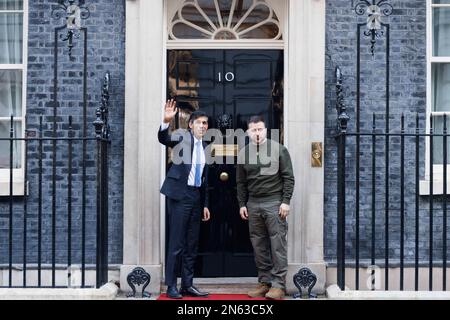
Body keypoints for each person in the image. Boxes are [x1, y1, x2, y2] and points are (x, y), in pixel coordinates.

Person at [236, 115, 295, 299]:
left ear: (266, 130)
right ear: (248, 132)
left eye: (260, 129)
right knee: (258, 245)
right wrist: (241, 204)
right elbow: (240, 182)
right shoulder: (243, 153)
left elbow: (288, 177)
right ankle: (265, 282)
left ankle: (278, 285)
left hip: (274, 202)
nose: (257, 133)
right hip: (253, 204)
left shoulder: (279, 150)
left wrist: (285, 201)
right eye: (253, 130)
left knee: (278, 244)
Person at [158, 99, 211, 299]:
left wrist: (205, 204)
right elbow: (164, 139)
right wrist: (166, 121)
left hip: (196, 197)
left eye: (205, 123)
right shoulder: (182, 138)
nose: (202, 126)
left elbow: (206, 180)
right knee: (177, 243)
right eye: (199, 122)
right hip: (180, 196)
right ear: (191, 125)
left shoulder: (206, 146)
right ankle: (172, 285)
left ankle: (187, 285)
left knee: (191, 243)